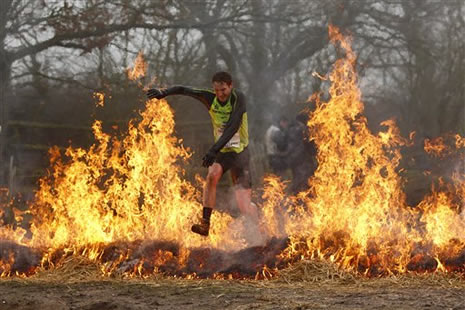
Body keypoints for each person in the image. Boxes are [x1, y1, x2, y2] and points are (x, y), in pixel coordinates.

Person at [146, 72, 258, 237]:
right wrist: (164, 92)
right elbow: (184, 89)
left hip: (240, 153)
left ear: (230, 86)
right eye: (217, 90)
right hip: (223, 152)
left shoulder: (238, 98)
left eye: (224, 90)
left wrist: (213, 150)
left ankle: (257, 227)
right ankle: (205, 224)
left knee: (244, 205)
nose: (220, 94)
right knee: (212, 175)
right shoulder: (210, 98)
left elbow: (233, 126)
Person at [286, 112, 318, 195]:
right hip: (303, 161)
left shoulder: (290, 129)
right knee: (306, 182)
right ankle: (304, 201)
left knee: (297, 180)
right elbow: (311, 147)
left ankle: (297, 200)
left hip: (293, 161)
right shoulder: (303, 129)